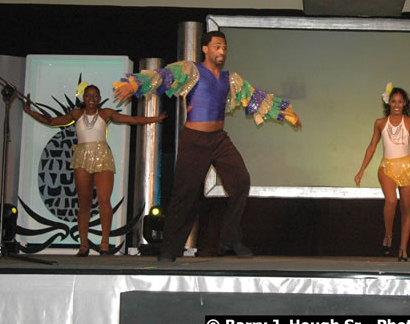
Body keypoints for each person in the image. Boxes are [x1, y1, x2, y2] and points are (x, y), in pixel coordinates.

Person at [113, 30, 301, 262]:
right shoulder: (190, 70)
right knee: (186, 196)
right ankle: (170, 250)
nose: (222, 51)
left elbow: (255, 97)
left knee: (241, 182)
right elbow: (162, 75)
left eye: (224, 48)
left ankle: (230, 236)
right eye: (217, 47)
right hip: (195, 140)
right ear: (205, 48)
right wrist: (134, 85)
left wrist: (284, 112)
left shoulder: (230, 79)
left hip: (219, 139)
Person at [23, 84, 167, 256]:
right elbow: (52, 121)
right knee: (84, 203)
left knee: (104, 199)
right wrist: (29, 110)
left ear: (98, 98)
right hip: (82, 156)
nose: (91, 99)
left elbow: (132, 120)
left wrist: (155, 119)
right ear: (83, 98)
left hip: (102, 156)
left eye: (95, 96)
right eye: (88, 96)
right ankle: (83, 246)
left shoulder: (106, 114)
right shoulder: (76, 114)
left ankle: (104, 243)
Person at [354, 85, 410, 262]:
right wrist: (361, 170)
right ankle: (388, 234)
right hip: (387, 168)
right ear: (388, 103)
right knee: (391, 200)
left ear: (404, 103)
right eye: (393, 101)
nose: (396, 105)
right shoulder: (380, 123)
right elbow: (372, 146)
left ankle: (403, 248)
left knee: (406, 208)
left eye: (400, 101)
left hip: (406, 167)